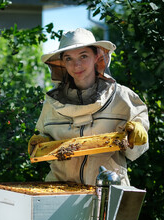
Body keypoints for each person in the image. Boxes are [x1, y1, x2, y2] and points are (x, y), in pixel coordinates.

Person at [28, 28, 149, 186]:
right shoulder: (52, 103)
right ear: (62, 63)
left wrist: (137, 136)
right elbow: (46, 150)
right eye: (68, 58)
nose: (76, 64)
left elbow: (135, 152)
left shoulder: (123, 98)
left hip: (108, 185)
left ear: (97, 56)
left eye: (83, 56)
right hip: (60, 187)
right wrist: (42, 143)